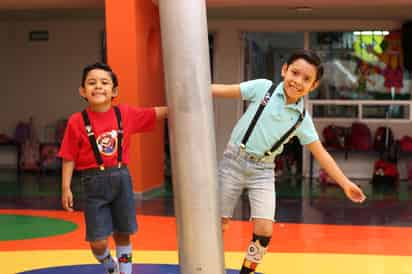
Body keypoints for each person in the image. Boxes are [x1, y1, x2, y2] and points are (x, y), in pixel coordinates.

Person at [211, 49, 366, 274]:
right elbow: (226, 90)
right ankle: (208, 266)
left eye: (306, 79)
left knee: (264, 231)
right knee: (219, 223)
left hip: (263, 170)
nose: (298, 81)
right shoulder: (263, 88)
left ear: (313, 86)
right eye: (295, 73)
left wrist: (345, 183)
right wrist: (198, 88)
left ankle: (247, 272)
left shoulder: (302, 118)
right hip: (234, 161)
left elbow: (321, 153)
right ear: (284, 71)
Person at [59, 62, 167, 274]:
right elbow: (68, 156)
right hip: (93, 184)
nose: (98, 86)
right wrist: (65, 187)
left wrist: (183, 104)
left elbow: (156, 113)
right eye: (92, 83)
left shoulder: (125, 114)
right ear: (82, 91)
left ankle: (125, 272)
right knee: (98, 241)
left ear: (114, 91)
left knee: (123, 233)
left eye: (104, 82)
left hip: (121, 180)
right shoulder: (76, 121)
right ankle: (111, 267)